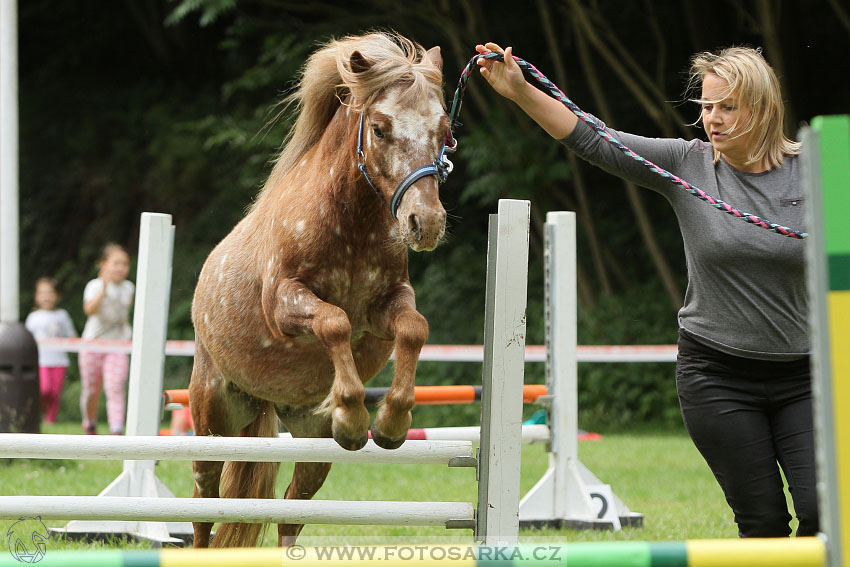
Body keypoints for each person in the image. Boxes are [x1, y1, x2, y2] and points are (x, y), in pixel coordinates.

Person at [476, 43, 815, 537]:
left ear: (762, 110)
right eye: (705, 106)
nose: (711, 119)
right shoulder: (688, 164)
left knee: (826, 511)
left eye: (726, 107)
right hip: (718, 376)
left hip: (805, 376)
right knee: (762, 522)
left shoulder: (818, 170)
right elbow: (597, 140)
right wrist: (520, 92)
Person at [79, 243, 134, 435]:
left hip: (118, 344)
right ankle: (90, 423)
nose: (120, 268)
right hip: (92, 343)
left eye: (124, 264)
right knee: (91, 390)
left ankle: (116, 430)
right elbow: (89, 310)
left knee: (116, 386)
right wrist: (103, 290)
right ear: (103, 265)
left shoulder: (129, 288)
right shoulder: (93, 286)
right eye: (116, 263)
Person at [24, 278, 78, 423]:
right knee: (45, 389)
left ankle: (50, 420)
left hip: (60, 360)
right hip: (41, 361)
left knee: (55, 392)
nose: (47, 297)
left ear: (57, 295)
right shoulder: (33, 317)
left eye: (50, 293)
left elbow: (71, 335)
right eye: (43, 293)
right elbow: (27, 340)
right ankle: (40, 411)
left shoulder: (62, 315)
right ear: (37, 296)